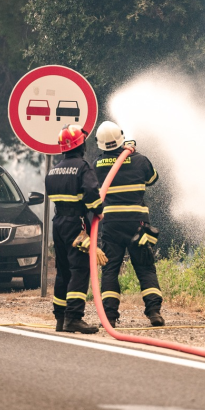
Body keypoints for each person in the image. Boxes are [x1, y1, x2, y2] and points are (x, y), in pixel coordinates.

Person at [94, 120, 164, 327]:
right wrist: (132, 152)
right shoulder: (140, 160)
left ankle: (109, 317)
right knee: (145, 268)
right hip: (138, 224)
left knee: (110, 270)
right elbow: (153, 179)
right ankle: (154, 313)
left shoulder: (96, 164)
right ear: (121, 138)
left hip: (111, 225)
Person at [44, 124, 105, 334]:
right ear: (81, 144)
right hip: (76, 223)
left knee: (62, 271)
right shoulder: (82, 167)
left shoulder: (54, 169)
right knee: (79, 269)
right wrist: (98, 209)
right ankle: (74, 318)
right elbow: (90, 190)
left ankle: (60, 318)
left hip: (58, 222)